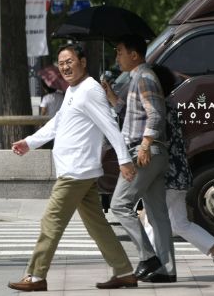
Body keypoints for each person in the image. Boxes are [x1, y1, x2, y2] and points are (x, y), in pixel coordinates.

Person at [8, 44, 138, 292]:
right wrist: (30, 142)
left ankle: (36, 276)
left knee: (51, 221)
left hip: (76, 171)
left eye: (70, 61)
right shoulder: (73, 90)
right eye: (61, 63)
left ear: (83, 62)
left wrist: (124, 159)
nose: (65, 67)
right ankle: (124, 271)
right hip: (79, 170)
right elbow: (58, 123)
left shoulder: (90, 90)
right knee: (97, 225)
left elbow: (110, 124)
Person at [140, 67, 214, 280]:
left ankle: (156, 266)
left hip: (166, 176)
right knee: (178, 223)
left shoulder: (157, 110)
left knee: (154, 221)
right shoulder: (168, 105)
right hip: (179, 174)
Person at [109, 34, 176, 283]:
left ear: (134, 55)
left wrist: (145, 146)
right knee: (157, 214)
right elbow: (130, 113)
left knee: (119, 204)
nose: (117, 57)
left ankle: (148, 258)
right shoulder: (137, 77)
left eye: (120, 51)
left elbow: (156, 114)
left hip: (144, 152)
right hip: (151, 153)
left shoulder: (145, 77)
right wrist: (110, 95)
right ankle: (166, 270)